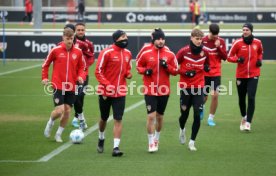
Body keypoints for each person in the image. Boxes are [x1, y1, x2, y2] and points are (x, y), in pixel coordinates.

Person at [136, 28, 178, 153]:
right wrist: (145, 71)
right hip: (150, 90)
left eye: (162, 39)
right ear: (153, 40)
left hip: (164, 90)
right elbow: (138, 65)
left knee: (159, 117)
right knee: (151, 117)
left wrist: (167, 66)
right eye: (158, 39)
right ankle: (150, 143)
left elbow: (176, 70)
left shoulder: (169, 54)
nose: (160, 41)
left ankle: (156, 138)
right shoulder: (145, 52)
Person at [42, 27, 85, 143]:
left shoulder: (78, 52)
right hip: (58, 85)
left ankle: (58, 134)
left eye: (71, 38)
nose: (70, 41)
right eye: (67, 39)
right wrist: (45, 77)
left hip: (71, 86)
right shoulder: (55, 50)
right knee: (59, 110)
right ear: (63, 38)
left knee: (67, 111)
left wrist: (81, 76)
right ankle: (50, 122)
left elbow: (82, 67)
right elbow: (45, 64)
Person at [95, 30, 132, 157]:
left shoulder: (128, 53)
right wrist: (107, 84)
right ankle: (101, 137)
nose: (125, 39)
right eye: (123, 37)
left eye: (126, 37)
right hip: (105, 92)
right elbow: (98, 72)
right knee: (104, 118)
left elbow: (127, 69)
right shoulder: (106, 52)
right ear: (116, 39)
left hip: (120, 91)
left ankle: (116, 147)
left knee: (118, 119)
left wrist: (128, 74)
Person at [176, 28, 210, 151]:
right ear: (191, 38)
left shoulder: (205, 52)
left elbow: (208, 65)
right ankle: (182, 129)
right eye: (197, 39)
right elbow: (174, 67)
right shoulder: (183, 52)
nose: (199, 41)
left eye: (201, 39)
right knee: (184, 115)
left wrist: (206, 68)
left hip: (199, 87)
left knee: (197, 113)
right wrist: (185, 72)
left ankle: (192, 142)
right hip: (185, 87)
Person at [227, 23, 263, 131]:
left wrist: (259, 60)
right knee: (241, 98)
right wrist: (237, 60)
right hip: (241, 75)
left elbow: (260, 52)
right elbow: (229, 57)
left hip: (254, 74)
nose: (245, 31)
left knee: (251, 97)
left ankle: (248, 122)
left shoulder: (258, 42)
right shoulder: (237, 43)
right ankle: (244, 117)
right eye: (243, 30)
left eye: (247, 29)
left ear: (251, 30)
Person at [70, 23, 95, 131]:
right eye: (78, 30)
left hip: (83, 74)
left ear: (85, 31)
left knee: (81, 96)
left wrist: (85, 66)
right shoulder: (71, 41)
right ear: (75, 31)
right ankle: (79, 118)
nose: (80, 31)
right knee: (74, 96)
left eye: (82, 30)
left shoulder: (88, 44)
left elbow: (91, 57)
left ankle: (76, 118)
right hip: (71, 74)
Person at [202, 23, 227, 126]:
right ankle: (201, 107)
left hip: (216, 72)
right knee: (204, 97)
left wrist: (218, 47)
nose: (215, 37)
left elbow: (225, 57)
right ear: (209, 32)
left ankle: (210, 118)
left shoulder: (221, 41)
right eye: (213, 35)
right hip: (204, 73)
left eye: (217, 34)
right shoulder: (202, 41)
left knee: (215, 95)